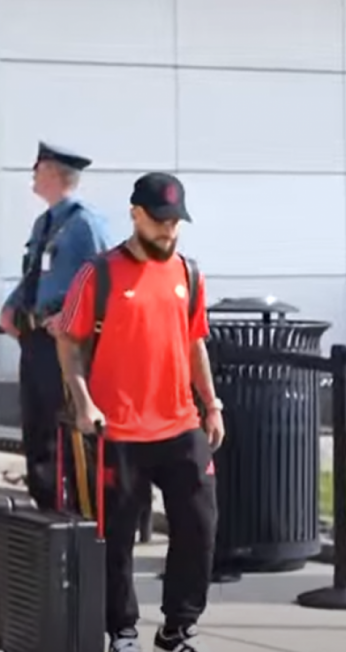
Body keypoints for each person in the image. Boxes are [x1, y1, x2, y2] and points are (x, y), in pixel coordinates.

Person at [54, 172, 224, 652]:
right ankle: (121, 631)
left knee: (199, 525)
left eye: (176, 222)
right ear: (136, 215)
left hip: (180, 424)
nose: (169, 230)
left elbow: (195, 344)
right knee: (117, 541)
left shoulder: (189, 274)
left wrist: (211, 404)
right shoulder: (99, 274)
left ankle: (177, 628)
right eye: (160, 220)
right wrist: (83, 401)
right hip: (119, 430)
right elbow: (67, 339)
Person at [0, 143, 109, 512]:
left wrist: (74, 316)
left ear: (55, 173)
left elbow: (104, 278)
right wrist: (12, 305)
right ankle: (47, 506)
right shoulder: (43, 223)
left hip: (65, 340)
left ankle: (84, 511)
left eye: (39, 167)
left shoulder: (84, 223)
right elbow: (34, 274)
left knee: (70, 431)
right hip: (35, 338)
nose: (33, 172)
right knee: (37, 427)